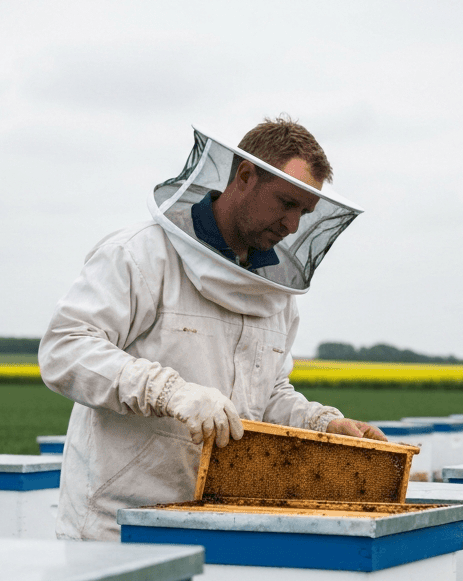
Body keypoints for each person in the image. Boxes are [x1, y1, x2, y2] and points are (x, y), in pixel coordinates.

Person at [39, 117, 386, 541]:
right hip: (116, 523)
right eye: (285, 203)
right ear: (244, 176)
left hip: (216, 519)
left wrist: (321, 424)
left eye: (304, 212)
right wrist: (169, 392)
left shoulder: (276, 297)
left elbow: (267, 393)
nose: (292, 225)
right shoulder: (140, 256)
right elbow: (65, 350)